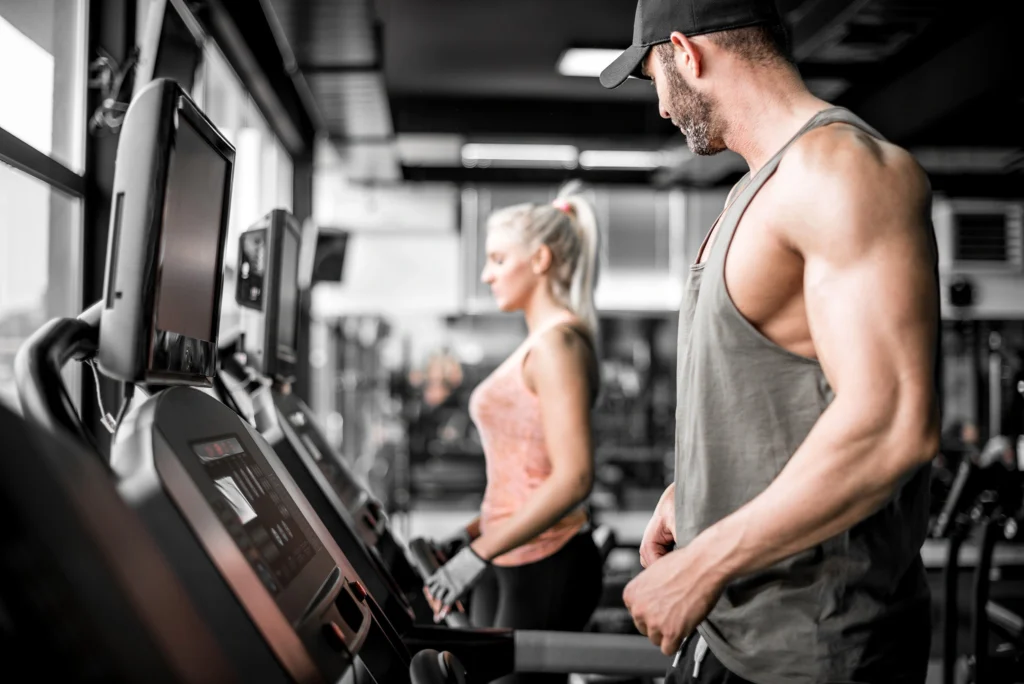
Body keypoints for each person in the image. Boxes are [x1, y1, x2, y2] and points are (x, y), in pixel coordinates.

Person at [600, 1, 940, 683]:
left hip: (811, 651)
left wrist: (704, 561)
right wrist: (699, 490)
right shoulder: (759, 187)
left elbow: (892, 424)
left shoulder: (841, 170)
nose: (663, 108)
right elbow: (774, 396)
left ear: (685, 54)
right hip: (732, 634)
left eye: (653, 78)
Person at [425, 184, 604, 683]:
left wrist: (477, 553)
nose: (487, 274)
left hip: (546, 561)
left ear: (541, 259)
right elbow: (521, 475)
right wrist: (468, 537)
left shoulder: (559, 345)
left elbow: (573, 479)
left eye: (498, 259)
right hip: (505, 552)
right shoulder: (539, 344)